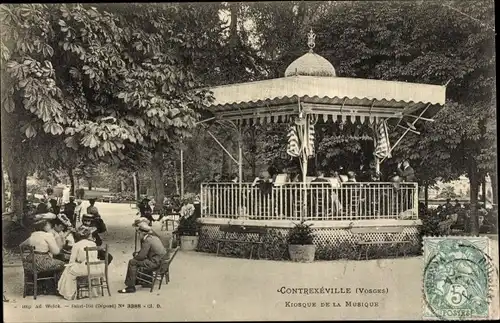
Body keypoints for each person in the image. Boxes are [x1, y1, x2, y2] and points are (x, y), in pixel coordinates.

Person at [57, 226, 105, 300]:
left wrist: (77, 261)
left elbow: (72, 261)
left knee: (68, 270)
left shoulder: (76, 245)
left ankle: (69, 293)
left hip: (85, 268)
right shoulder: (93, 243)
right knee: (77, 267)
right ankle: (91, 292)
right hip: (96, 267)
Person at [118, 222, 167, 294]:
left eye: (139, 233)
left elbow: (141, 256)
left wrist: (136, 256)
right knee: (137, 260)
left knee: (132, 262)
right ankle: (138, 280)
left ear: (142, 233)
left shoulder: (147, 240)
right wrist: (139, 253)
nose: (138, 235)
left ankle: (131, 286)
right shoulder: (154, 238)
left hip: (155, 264)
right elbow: (146, 252)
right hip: (160, 261)